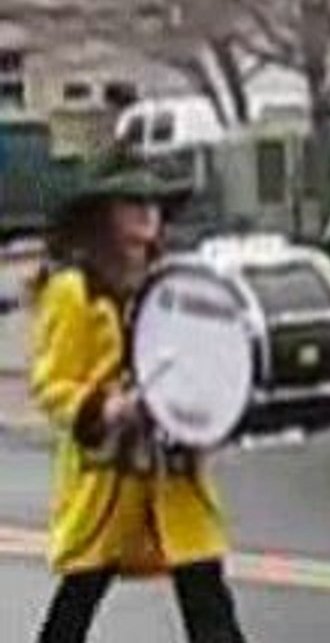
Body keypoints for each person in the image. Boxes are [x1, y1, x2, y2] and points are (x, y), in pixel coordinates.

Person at [30, 151, 247, 643]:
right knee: (78, 599)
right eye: (133, 201)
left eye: (154, 202)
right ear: (103, 213)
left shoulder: (173, 283)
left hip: (172, 469)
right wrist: (103, 408)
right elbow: (52, 383)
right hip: (109, 473)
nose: (148, 212)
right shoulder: (74, 289)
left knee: (206, 597)